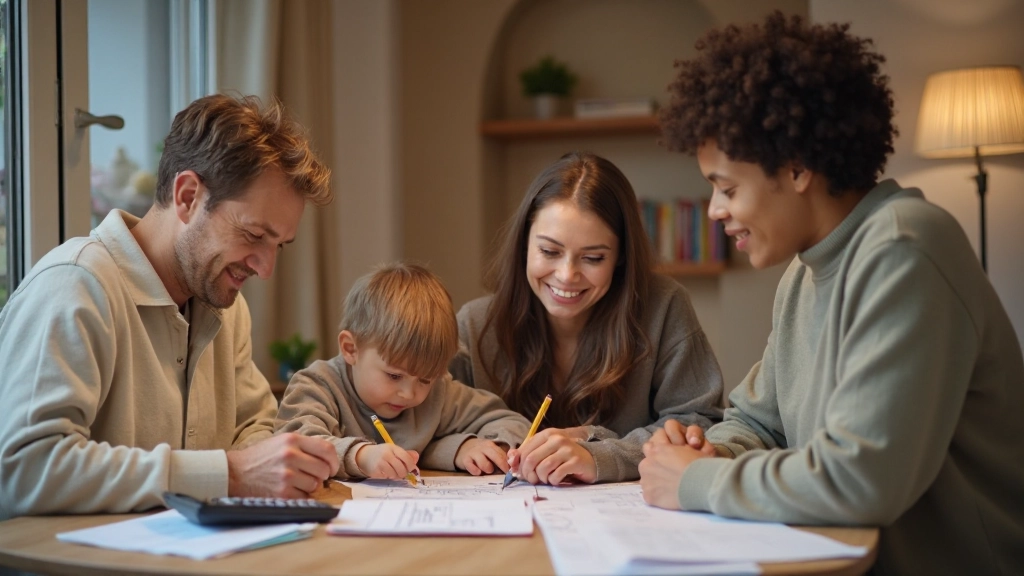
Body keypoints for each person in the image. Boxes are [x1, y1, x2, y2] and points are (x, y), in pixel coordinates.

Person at [638, 11, 1024, 575]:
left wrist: (696, 480)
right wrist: (710, 450)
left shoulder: (905, 249)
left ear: (797, 168)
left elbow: (862, 480)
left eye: (727, 188)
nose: (716, 210)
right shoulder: (803, 274)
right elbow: (758, 422)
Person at [0, 94, 341, 520]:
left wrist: (282, 462)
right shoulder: (74, 285)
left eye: (279, 245)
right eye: (254, 235)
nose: (265, 269)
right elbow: (23, 472)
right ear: (187, 196)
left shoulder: (225, 306)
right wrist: (230, 475)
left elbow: (253, 427)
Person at [450, 151, 724, 485]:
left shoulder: (663, 307)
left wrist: (599, 454)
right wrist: (459, 446)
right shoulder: (475, 325)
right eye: (549, 251)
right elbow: (414, 419)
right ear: (524, 244)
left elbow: (700, 425)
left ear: (620, 256)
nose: (567, 275)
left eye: (593, 258)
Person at [275, 262, 532, 479]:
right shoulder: (317, 385)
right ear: (351, 348)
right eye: (394, 376)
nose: (409, 394)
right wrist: (361, 456)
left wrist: (463, 447)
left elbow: (512, 424)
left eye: (425, 379)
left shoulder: (439, 392)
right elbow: (293, 446)